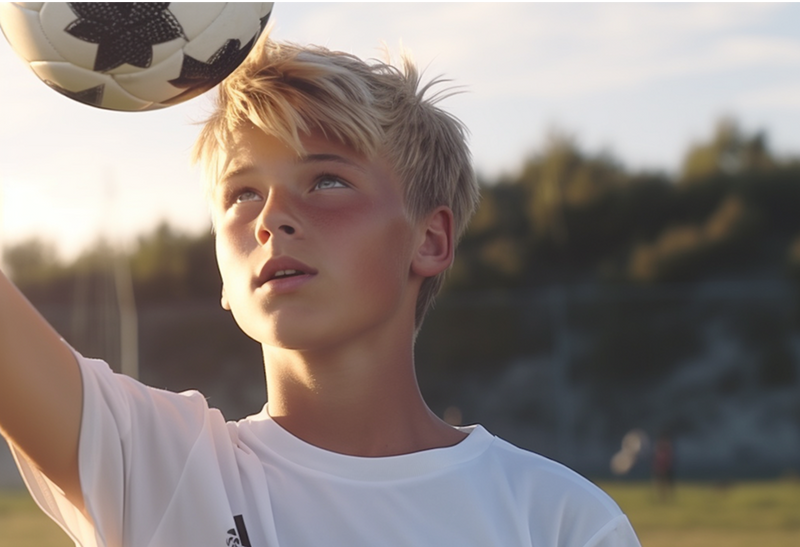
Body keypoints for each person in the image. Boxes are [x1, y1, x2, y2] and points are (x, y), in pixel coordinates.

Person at [0, 34, 642, 547]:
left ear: (430, 239)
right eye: (242, 193)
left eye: (327, 180)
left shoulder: (561, 522)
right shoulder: (165, 469)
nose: (271, 217)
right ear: (223, 273)